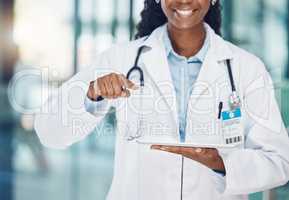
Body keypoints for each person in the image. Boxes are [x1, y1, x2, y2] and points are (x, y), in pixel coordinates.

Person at [34, 0, 289, 199]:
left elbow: (280, 161)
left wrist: (221, 162)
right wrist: (92, 94)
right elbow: (49, 132)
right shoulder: (121, 59)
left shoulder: (247, 69)